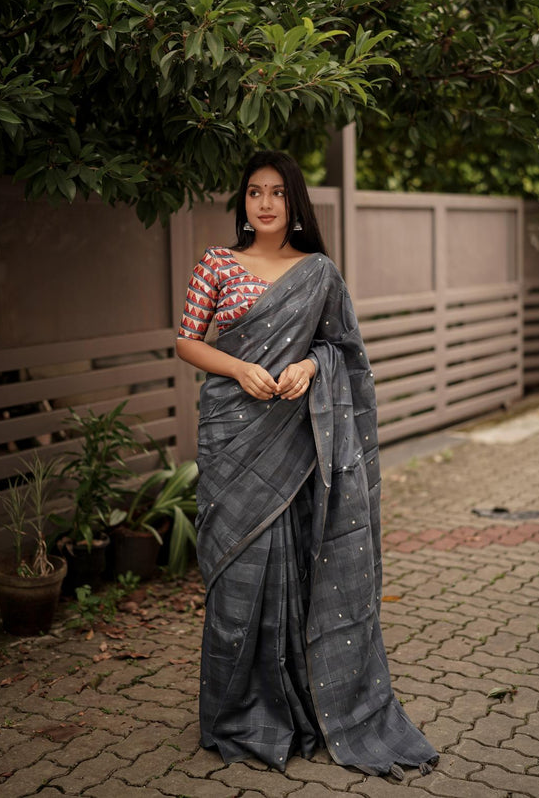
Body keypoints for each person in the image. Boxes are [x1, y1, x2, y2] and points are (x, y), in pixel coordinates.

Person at [176, 150, 438, 779]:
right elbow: (186, 339)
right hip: (234, 438)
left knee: (295, 563)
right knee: (238, 578)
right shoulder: (217, 263)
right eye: (254, 193)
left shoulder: (318, 272)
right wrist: (239, 367)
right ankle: (236, 710)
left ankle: (298, 707)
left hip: (298, 441)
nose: (264, 204)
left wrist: (309, 365)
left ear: (295, 204)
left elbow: (343, 348)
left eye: (278, 193)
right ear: (242, 201)